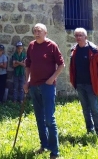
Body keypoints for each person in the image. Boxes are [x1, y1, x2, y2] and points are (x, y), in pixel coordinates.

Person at [24, 23, 65, 159]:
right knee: (39, 118)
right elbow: (28, 65)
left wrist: (51, 79)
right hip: (34, 86)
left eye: (39, 30)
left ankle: (55, 151)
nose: (36, 32)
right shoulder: (31, 45)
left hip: (47, 86)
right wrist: (27, 81)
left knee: (49, 119)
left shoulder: (52, 45)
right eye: (35, 30)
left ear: (45, 32)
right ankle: (44, 145)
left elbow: (61, 65)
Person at [69, 27, 98, 136]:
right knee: (85, 110)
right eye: (76, 35)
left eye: (80, 35)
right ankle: (89, 130)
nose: (78, 37)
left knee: (95, 110)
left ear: (86, 37)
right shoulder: (74, 51)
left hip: (91, 85)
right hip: (80, 84)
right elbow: (72, 68)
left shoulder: (94, 50)